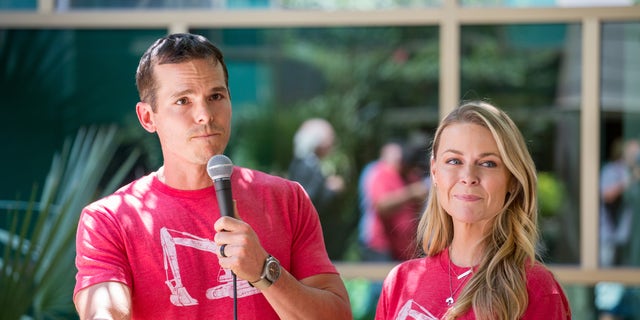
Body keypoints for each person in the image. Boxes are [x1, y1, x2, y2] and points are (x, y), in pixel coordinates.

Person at [73, 33, 351, 320]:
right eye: (183, 101)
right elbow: (104, 310)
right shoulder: (110, 218)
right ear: (147, 117)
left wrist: (264, 271)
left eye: (215, 96)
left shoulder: (287, 199)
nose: (205, 115)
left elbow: (338, 316)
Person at [375, 101, 571, 319]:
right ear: (434, 171)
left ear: (513, 180)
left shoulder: (537, 289)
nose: (468, 177)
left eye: (488, 163)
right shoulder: (400, 282)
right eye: (454, 160)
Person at [358, 140, 429, 262]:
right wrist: (411, 193)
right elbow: (381, 206)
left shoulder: (410, 177)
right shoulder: (382, 173)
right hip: (380, 245)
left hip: (403, 248)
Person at [288, 118, 345, 215]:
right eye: (330, 137)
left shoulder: (306, 163)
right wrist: (331, 190)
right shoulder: (307, 165)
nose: (332, 142)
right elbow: (307, 200)